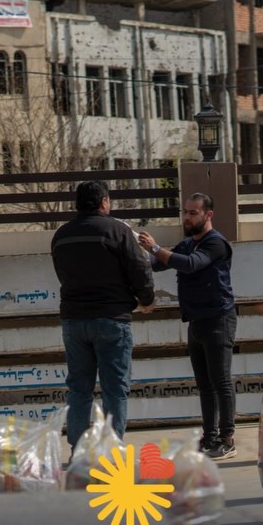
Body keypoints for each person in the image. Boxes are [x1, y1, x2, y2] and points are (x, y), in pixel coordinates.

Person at [51, 180, 155, 453]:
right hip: (112, 319)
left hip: (74, 321)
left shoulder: (61, 235)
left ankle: (78, 452)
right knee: (114, 390)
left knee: (79, 389)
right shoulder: (118, 231)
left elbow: (62, 274)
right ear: (104, 202)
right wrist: (146, 299)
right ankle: (112, 451)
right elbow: (139, 268)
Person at [137, 192, 237, 460]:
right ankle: (209, 437)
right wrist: (136, 249)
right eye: (185, 212)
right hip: (196, 321)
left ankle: (227, 439)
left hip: (218, 319)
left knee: (221, 381)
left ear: (208, 215)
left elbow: (192, 265)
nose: (187, 217)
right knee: (204, 384)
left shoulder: (216, 244)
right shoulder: (187, 244)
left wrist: (155, 248)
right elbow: (157, 264)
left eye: (193, 213)